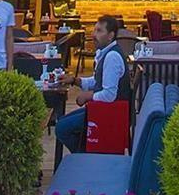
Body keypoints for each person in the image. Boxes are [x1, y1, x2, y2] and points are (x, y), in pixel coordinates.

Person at [54, 15, 126, 155]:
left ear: (110, 36)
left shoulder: (112, 57)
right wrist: (74, 80)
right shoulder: (105, 53)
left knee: (62, 128)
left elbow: (109, 95)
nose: (93, 35)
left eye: (99, 31)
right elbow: (97, 80)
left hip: (110, 114)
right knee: (62, 122)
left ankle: (85, 156)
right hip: (101, 109)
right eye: (94, 30)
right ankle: (85, 153)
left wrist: (88, 96)